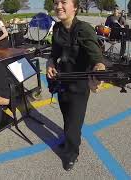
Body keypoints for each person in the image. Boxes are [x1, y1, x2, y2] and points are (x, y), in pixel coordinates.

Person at [47, 0, 106, 171]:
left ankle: (71, 153)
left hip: (79, 86)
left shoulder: (84, 28)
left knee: (74, 123)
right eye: (56, 2)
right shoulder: (57, 28)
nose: (58, 6)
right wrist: (50, 63)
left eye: (63, 2)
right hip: (62, 82)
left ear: (75, 7)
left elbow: (97, 57)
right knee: (66, 116)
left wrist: (99, 71)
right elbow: (54, 53)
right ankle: (68, 140)